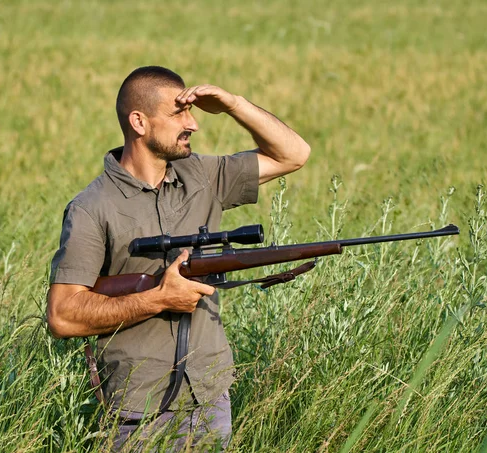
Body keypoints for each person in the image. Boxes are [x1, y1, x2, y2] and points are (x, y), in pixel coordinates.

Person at [47, 66, 310, 451]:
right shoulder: (91, 208)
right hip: (137, 409)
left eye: (192, 112)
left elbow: (294, 154)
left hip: (209, 394)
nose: (193, 124)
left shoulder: (202, 176)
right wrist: (158, 299)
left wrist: (233, 104)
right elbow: (63, 315)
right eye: (178, 113)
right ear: (139, 121)